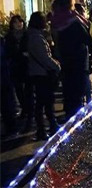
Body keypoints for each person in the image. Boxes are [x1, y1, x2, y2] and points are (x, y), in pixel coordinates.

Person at [50, 0, 92, 120]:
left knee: (68, 92)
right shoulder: (74, 20)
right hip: (78, 62)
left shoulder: (55, 19)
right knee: (78, 94)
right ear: (70, 3)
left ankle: (69, 116)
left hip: (63, 61)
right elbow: (88, 40)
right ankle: (77, 121)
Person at [26, 12, 61, 140]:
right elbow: (44, 57)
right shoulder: (36, 37)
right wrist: (56, 66)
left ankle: (49, 126)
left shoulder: (35, 35)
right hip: (41, 74)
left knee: (43, 102)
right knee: (44, 102)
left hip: (39, 73)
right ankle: (44, 129)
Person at [4, 15, 32, 122]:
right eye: (15, 22)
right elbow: (9, 52)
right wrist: (20, 54)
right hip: (16, 66)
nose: (18, 24)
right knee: (19, 90)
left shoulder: (27, 35)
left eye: (20, 21)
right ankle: (25, 109)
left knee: (28, 90)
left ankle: (28, 111)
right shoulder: (9, 37)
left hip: (27, 66)